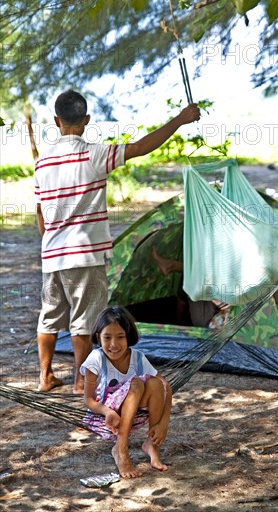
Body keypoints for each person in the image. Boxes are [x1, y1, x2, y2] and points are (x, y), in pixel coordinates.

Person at [35, 89, 200, 393]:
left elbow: (39, 212)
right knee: (84, 320)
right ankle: (81, 380)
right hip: (84, 255)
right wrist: (180, 120)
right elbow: (140, 147)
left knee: (50, 316)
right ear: (86, 120)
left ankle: (45, 376)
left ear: (56, 121)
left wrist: (50, 241)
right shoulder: (95, 154)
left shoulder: (42, 161)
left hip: (52, 254)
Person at [80, 305, 172, 479]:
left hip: (135, 412)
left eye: (120, 337)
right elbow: (88, 400)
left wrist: (163, 424)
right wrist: (106, 411)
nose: (114, 344)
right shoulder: (96, 358)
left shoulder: (137, 357)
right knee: (137, 383)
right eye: (107, 337)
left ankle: (151, 445)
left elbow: (166, 385)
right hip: (109, 414)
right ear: (98, 337)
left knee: (156, 383)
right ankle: (121, 449)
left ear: (128, 336)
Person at [151, 246, 228, 327]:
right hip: (216, 307)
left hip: (209, 323)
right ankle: (172, 266)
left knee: (192, 276)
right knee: (195, 275)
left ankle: (172, 266)